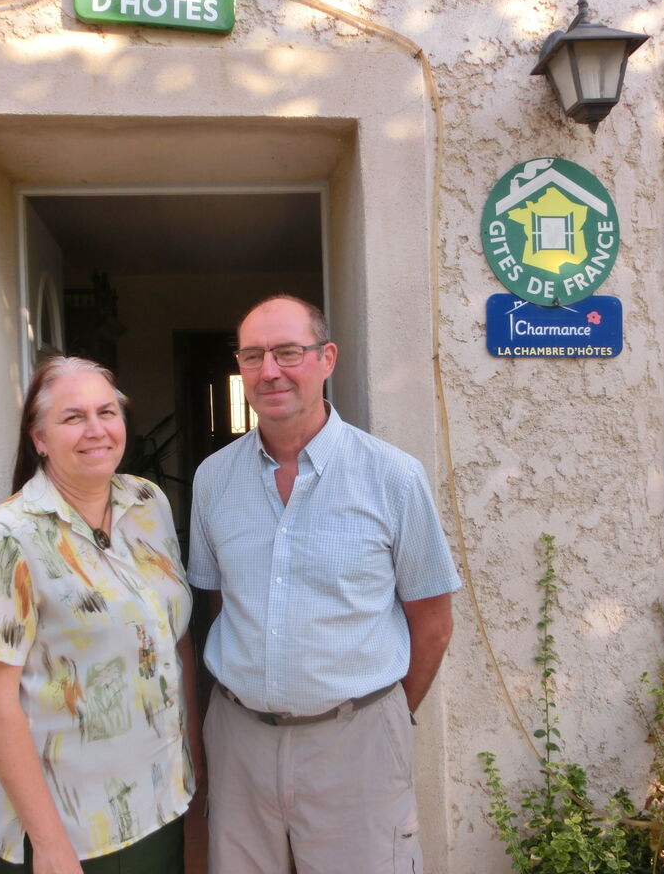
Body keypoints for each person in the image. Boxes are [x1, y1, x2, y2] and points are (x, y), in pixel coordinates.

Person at [188, 295, 461, 874]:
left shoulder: (392, 476)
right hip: (240, 743)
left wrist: (378, 714)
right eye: (253, 355)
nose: (270, 371)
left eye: (288, 352)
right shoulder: (213, 480)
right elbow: (216, 608)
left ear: (327, 358)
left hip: (357, 742)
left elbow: (433, 624)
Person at [0, 356, 201, 874]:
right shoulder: (8, 537)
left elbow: (173, 639)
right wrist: (49, 846)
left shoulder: (148, 503)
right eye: (73, 418)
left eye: (106, 412)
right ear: (39, 438)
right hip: (70, 834)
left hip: (160, 805)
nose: (96, 430)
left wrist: (193, 769)